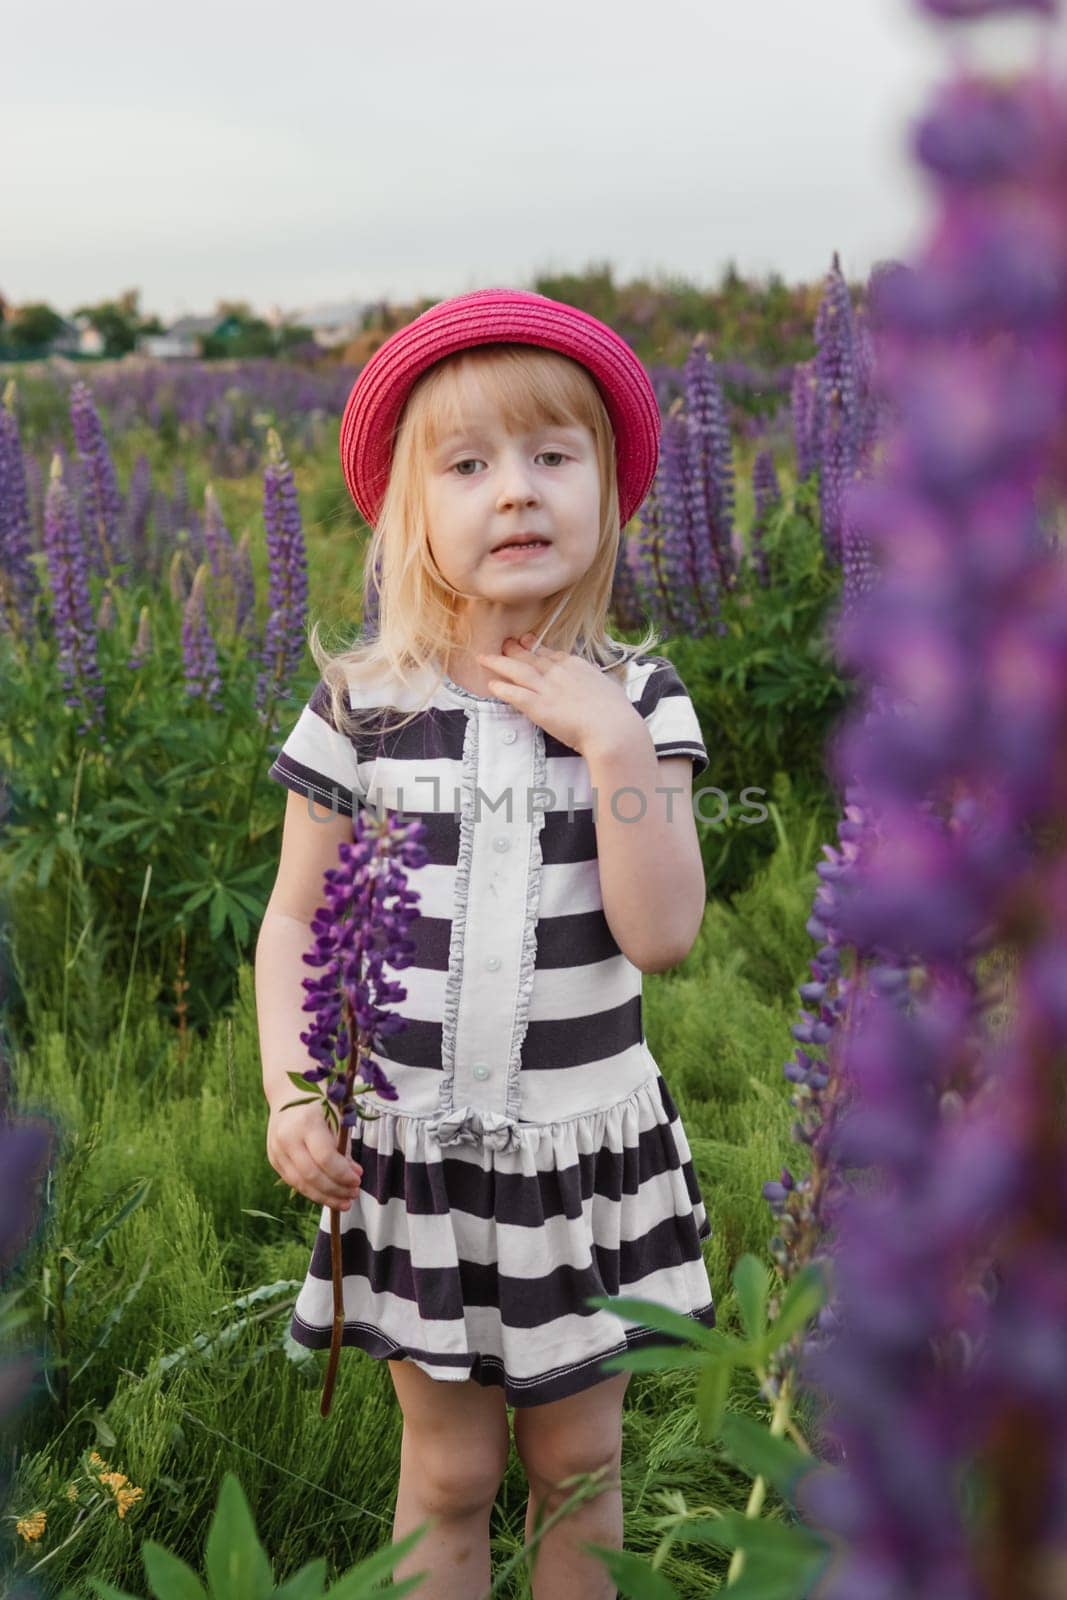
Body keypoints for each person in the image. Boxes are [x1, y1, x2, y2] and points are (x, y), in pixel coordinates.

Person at [255, 287, 716, 1600]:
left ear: (609, 496)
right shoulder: (365, 705)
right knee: (448, 1473)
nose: (516, 493)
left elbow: (664, 933)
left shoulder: (637, 694)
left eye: (553, 457)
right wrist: (293, 1085)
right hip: (419, 1163)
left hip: (582, 1154)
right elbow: (295, 915)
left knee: (580, 1461)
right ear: (412, 514)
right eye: (469, 465)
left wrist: (612, 747)